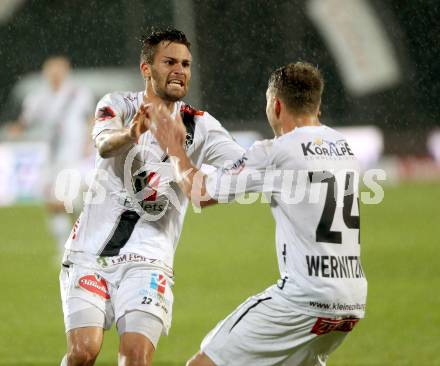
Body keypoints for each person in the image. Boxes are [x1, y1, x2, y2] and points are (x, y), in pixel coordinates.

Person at [149, 62, 367, 366]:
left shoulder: (277, 151)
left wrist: (175, 148)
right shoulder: (343, 147)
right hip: (351, 298)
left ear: (276, 105)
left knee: (203, 363)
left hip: (304, 297)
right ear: (317, 104)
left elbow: (201, 192)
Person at [59, 27, 244, 366]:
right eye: (169, 62)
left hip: (149, 260)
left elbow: (241, 167)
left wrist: (209, 184)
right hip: (90, 251)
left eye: (186, 65)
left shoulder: (200, 126)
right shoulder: (117, 105)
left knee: (137, 359)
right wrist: (132, 132)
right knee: (83, 352)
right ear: (146, 69)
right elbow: (102, 145)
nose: (180, 71)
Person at [7, 56, 94, 258]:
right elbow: (24, 122)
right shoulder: (37, 98)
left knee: (64, 199)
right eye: (51, 70)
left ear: (66, 71)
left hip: (72, 156)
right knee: (53, 204)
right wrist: (15, 130)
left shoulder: (79, 94)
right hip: (49, 158)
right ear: (46, 73)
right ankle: (64, 248)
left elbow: (91, 118)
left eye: (59, 70)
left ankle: (81, 241)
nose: (55, 74)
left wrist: (89, 141)